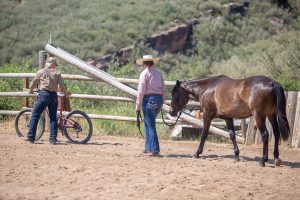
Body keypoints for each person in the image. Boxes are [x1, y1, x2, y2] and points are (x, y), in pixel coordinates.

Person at [26, 57, 68, 145]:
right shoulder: (57, 73)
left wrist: (30, 91)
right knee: (53, 118)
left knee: (35, 115)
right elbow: (62, 85)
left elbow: (34, 82)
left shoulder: (40, 71)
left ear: (46, 63)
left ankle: (31, 137)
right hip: (53, 96)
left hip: (43, 95)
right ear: (53, 64)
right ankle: (52, 139)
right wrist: (66, 93)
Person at [135, 55, 167, 156]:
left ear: (144, 63)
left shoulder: (144, 74)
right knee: (148, 123)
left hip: (149, 99)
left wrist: (138, 105)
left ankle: (154, 149)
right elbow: (164, 88)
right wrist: (163, 100)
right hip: (158, 99)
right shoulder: (158, 73)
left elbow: (141, 91)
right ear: (152, 63)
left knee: (150, 124)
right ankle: (148, 146)